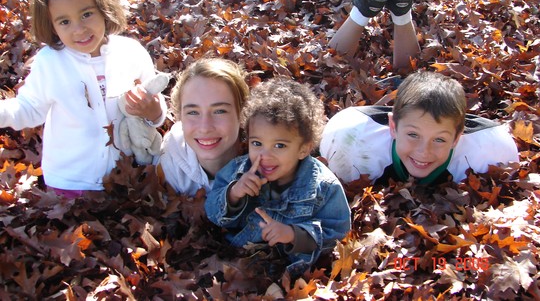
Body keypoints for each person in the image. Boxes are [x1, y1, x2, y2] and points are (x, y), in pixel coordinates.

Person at [0, 0, 167, 197]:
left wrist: (153, 112)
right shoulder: (50, 62)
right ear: (51, 25)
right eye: (64, 21)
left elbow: (155, 107)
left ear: (104, 8)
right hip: (71, 179)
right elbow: (29, 108)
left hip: (127, 178)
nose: (79, 29)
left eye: (87, 14)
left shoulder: (130, 53)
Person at [205, 78, 351, 275]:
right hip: (235, 264)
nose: (265, 155)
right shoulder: (237, 172)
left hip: (288, 275)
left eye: (279, 145)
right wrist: (233, 194)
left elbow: (337, 233)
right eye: (257, 143)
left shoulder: (324, 187)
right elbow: (212, 213)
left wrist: (294, 235)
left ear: (303, 149)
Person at [320, 71, 519, 185]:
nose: (424, 152)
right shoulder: (351, 140)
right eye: (413, 135)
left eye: (439, 139)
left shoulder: (492, 154)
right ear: (393, 126)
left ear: (457, 138)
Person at [157, 58, 250, 196]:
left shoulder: (267, 160)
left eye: (220, 111)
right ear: (179, 116)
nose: (205, 128)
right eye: (193, 112)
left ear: (242, 113)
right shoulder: (170, 163)